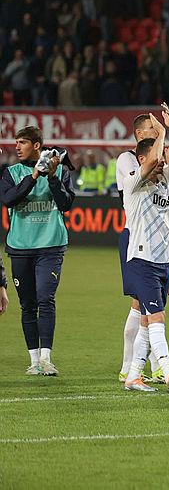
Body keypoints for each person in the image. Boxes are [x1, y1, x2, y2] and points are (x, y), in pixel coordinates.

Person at [122, 108, 169, 393]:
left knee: (145, 320)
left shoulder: (164, 178)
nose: (161, 161)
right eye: (155, 157)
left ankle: (134, 376)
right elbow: (154, 156)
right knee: (157, 318)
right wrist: (161, 133)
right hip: (142, 260)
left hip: (163, 261)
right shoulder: (134, 182)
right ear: (142, 159)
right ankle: (168, 372)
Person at [0, 126, 75, 375]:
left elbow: (65, 204)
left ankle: (46, 358)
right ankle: (33, 360)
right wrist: (33, 176)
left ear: (37, 145)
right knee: (28, 304)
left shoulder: (61, 170)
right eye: (16, 142)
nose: (17, 147)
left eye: (22, 142)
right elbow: (9, 199)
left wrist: (51, 177)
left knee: (46, 299)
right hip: (21, 247)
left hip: (50, 246)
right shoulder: (11, 173)